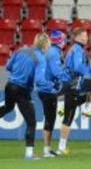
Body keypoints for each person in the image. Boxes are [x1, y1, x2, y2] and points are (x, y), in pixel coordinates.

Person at [0, 33, 52, 160]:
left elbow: (8, 67)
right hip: (23, 90)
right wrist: (51, 85)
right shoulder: (41, 58)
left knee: (8, 107)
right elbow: (40, 81)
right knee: (31, 122)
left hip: (10, 85)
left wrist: (20, 71)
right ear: (45, 45)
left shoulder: (21, 50)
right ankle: (29, 154)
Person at [57, 27, 91, 156]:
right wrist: (88, 68)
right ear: (78, 37)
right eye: (85, 36)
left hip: (73, 84)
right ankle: (61, 147)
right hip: (72, 86)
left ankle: (83, 107)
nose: (87, 38)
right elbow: (76, 68)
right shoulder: (77, 50)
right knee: (68, 119)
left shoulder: (75, 49)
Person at [37, 30, 69, 158]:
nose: (65, 42)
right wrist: (67, 75)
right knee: (50, 120)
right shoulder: (54, 53)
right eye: (63, 39)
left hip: (44, 89)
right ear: (59, 41)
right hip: (49, 90)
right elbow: (57, 73)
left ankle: (48, 149)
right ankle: (47, 150)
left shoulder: (49, 51)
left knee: (49, 119)